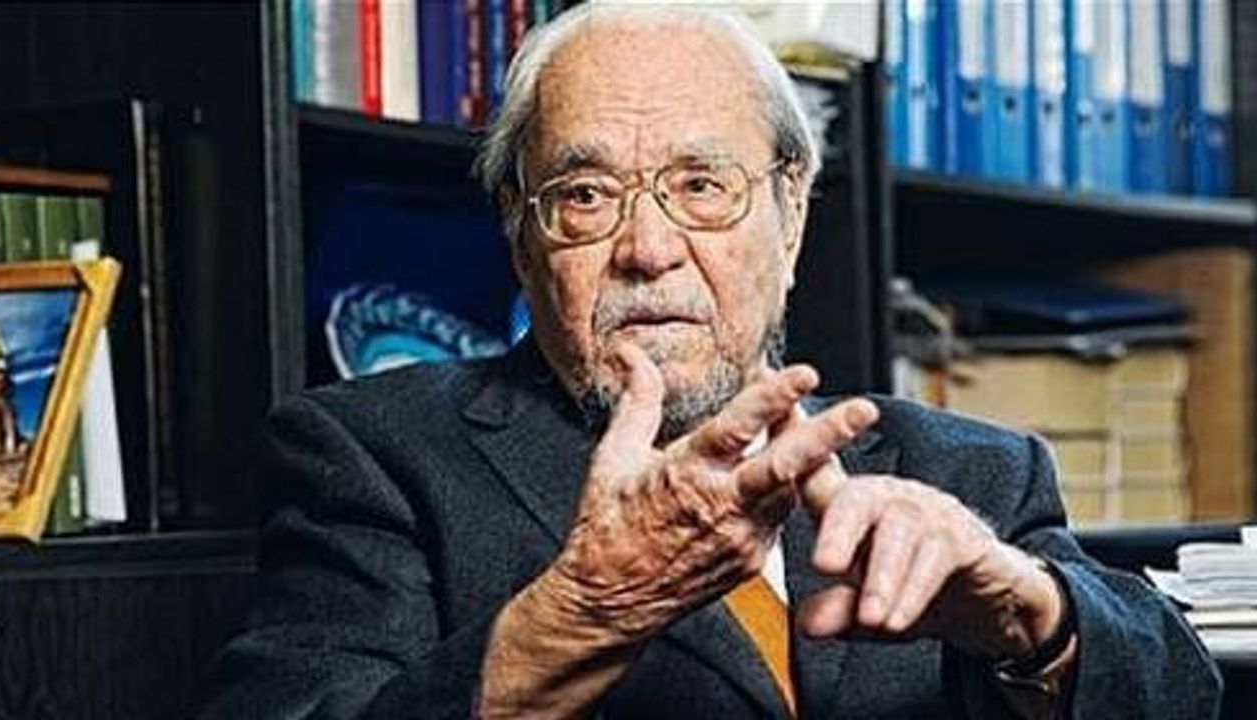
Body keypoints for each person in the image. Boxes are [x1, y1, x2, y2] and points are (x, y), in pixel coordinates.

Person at [201, 5, 1220, 719]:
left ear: (790, 218)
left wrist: (1027, 615)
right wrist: (582, 614)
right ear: (521, 236)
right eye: (586, 197)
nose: (647, 249)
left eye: (700, 186)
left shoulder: (968, 471)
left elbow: (1179, 691)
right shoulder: (372, 458)